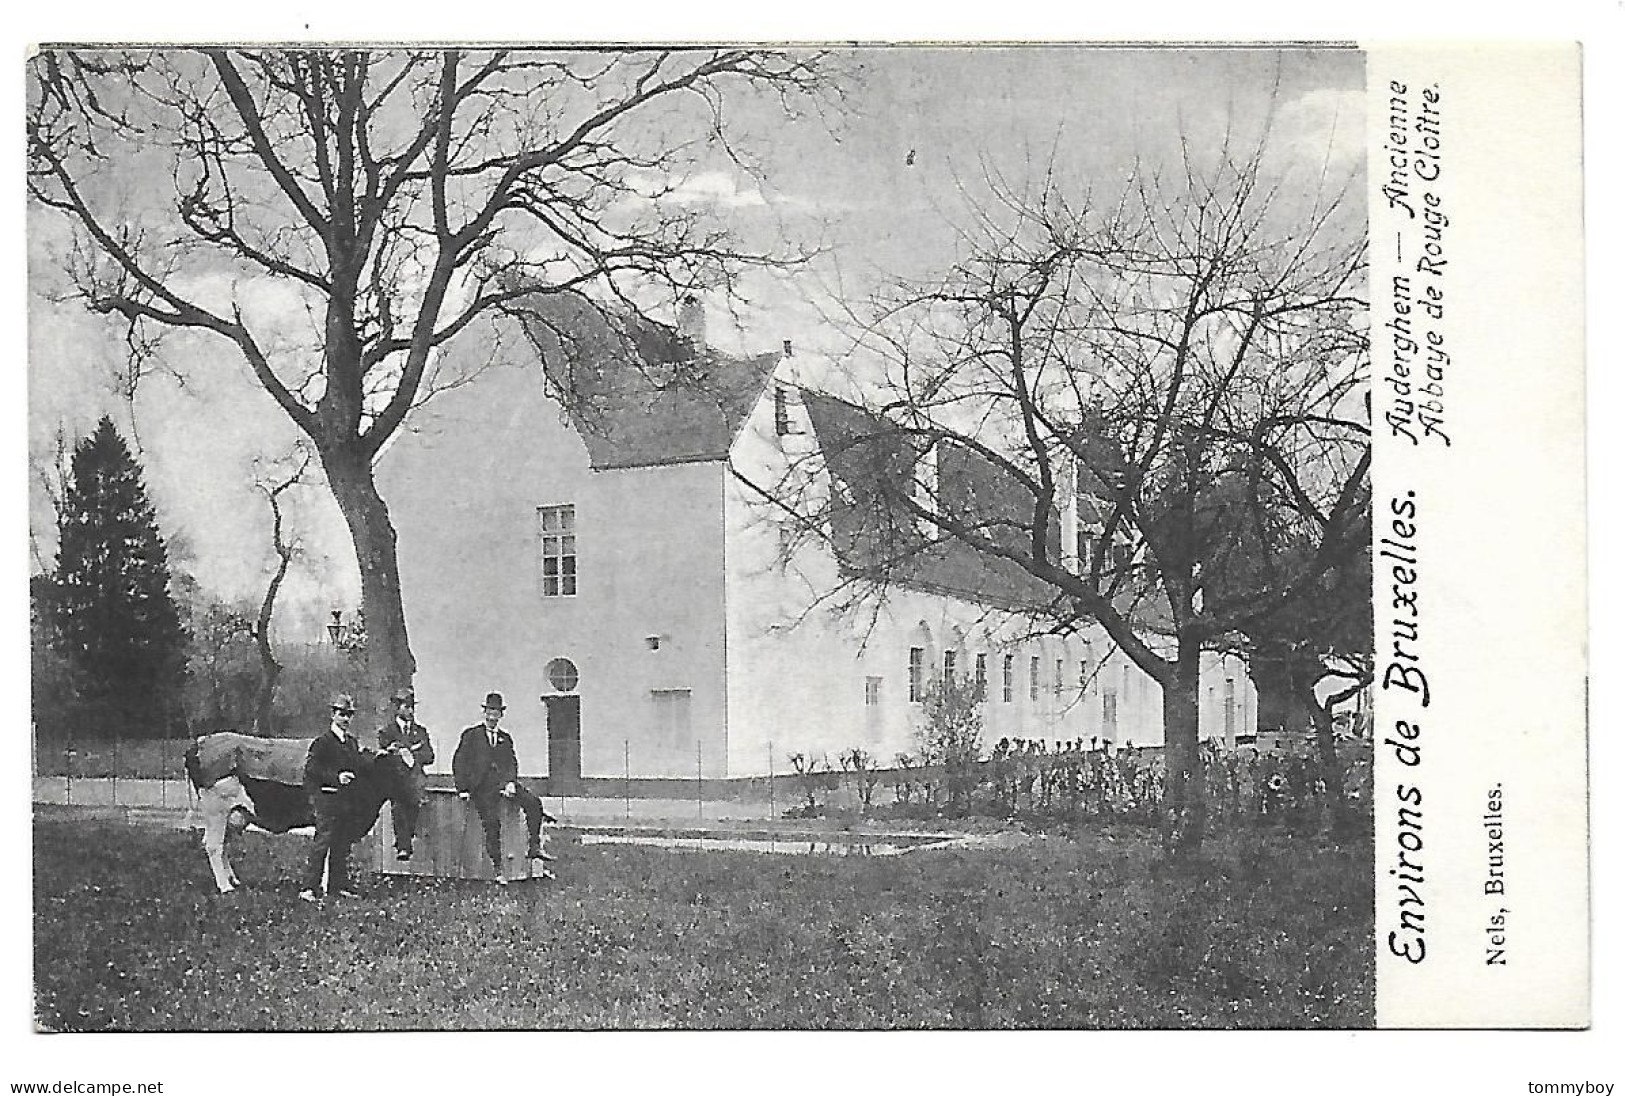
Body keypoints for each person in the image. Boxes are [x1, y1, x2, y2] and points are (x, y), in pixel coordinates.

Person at [452, 692, 556, 884]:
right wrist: (462, 788)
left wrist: (509, 782)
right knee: (492, 823)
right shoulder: (471, 735)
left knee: (534, 803)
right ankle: (498, 869)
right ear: (484, 712)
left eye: (497, 712)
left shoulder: (505, 738)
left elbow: (511, 764)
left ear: (501, 715)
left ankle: (534, 846)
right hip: (481, 788)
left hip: (503, 784)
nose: (493, 716)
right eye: (490, 711)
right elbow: (459, 762)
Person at [300, 692, 366, 902]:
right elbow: (311, 768)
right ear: (333, 715)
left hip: (346, 801)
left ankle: (337, 886)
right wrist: (336, 777)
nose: (346, 719)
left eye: (349, 715)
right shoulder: (323, 743)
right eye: (342, 714)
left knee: (341, 843)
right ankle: (309, 888)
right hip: (327, 799)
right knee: (323, 842)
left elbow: (358, 764)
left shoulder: (352, 743)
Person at [378, 687, 435, 861]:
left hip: (415, 781)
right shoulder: (387, 733)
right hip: (395, 780)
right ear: (397, 708)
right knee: (399, 804)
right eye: (406, 707)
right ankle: (403, 845)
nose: (410, 711)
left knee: (413, 805)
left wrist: (411, 753)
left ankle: (405, 841)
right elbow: (383, 758)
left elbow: (429, 756)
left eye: (411, 707)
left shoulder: (421, 732)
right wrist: (395, 753)